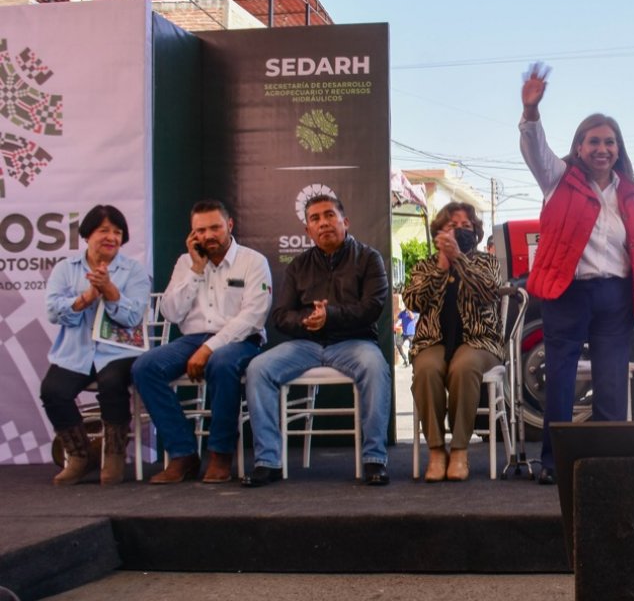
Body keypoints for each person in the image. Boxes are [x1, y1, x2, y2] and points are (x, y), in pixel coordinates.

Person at [519, 63, 634, 485]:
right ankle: (553, 463)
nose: (602, 148)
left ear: (618, 149)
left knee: (610, 383)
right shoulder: (558, 178)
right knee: (561, 382)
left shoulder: (631, 192)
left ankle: (604, 460)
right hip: (566, 294)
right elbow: (534, 150)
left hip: (615, 297)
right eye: (593, 141)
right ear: (579, 147)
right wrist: (530, 113)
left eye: (609, 142)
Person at [242, 194, 392, 487]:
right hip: (306, 345)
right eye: (315, 219)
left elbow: (372, 307)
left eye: (329, 215)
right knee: (258, 369)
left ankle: (375, 458)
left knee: (376, 368)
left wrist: (331, 316)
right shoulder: (299, 265)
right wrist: (307, 321)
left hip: (354, 342)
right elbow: (281, 315)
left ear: (344, 221)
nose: (323, 223)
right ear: (307, 231)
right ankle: (268, 461)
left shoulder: (368, 258)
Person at [132, 200, 271, 484]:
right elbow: (170, 312)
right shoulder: (186, 263)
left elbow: (253, 317)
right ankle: (183, 454)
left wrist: (209, 348)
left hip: (241, 339)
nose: (209, 235)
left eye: (215, 228)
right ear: (192, 234)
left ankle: (220, 454)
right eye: (201, 230)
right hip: (191, 339)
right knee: (145, 366)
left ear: (229, 226)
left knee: (221, 362)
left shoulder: (253, 261)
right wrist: (196, 270)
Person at [41, 204, 150, 485]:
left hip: (119, 353)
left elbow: (133, 316)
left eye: (117, 232)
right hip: (75, 352)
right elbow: (53, 312)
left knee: (112, 382)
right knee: (53, 390)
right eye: (104, 231)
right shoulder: (66, 269)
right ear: (88, 234)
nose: (111, 237)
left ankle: (113, 454)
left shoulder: (134, 271)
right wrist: (86, 298)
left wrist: (111, 292)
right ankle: (80, 456)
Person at [403, 202, 505, 482]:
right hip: (433, 341)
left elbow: (488, 293)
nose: (460, 230)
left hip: (481, 342)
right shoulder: (424, 265)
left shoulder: (488, 262)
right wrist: (442, 265)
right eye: (452, 226)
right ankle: (436, 450)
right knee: (426, 369)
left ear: (476, 232)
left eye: (466, 226)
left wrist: (459, 258)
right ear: (438, 232)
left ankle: (460, 450)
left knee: (464, 366)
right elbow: (413, 301)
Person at [393, 296, 416, 368]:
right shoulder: (402, 313)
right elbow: (398, 318)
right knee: (398, 344)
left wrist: (408, 310)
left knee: (411, 348)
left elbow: (412, 317)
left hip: (411, 334)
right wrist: (395, 324)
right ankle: (405, 359)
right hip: (404, 333)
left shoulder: (412, 311)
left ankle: (411, 362)